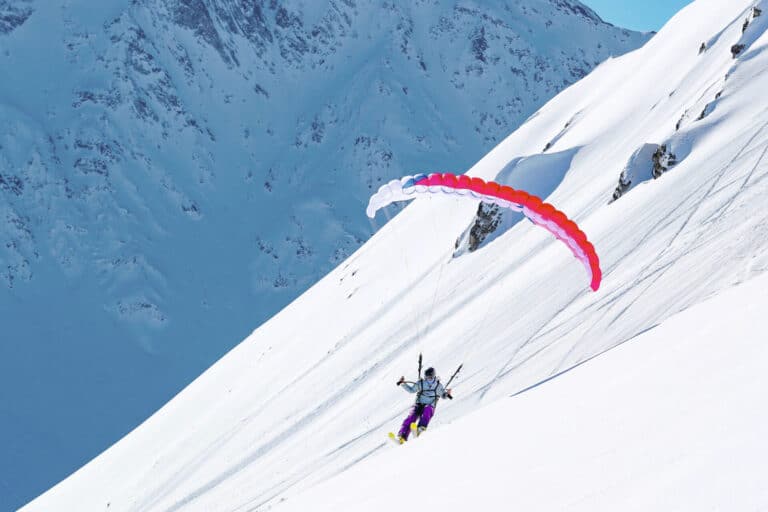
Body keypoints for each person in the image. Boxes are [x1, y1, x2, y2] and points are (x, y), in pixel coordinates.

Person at [395, 367, 452, 443]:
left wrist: (447, 394)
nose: (428, 379)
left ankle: (420, 429)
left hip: (430, 405)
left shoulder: (438, 386)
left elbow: (443, 395)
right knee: (411, 416)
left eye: (430, 377)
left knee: (427, 410)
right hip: (419, 404)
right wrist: (403, 384)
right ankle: (402, 436)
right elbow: (411, 390)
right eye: (427, 377)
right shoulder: (421, 383)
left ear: (434, 376)